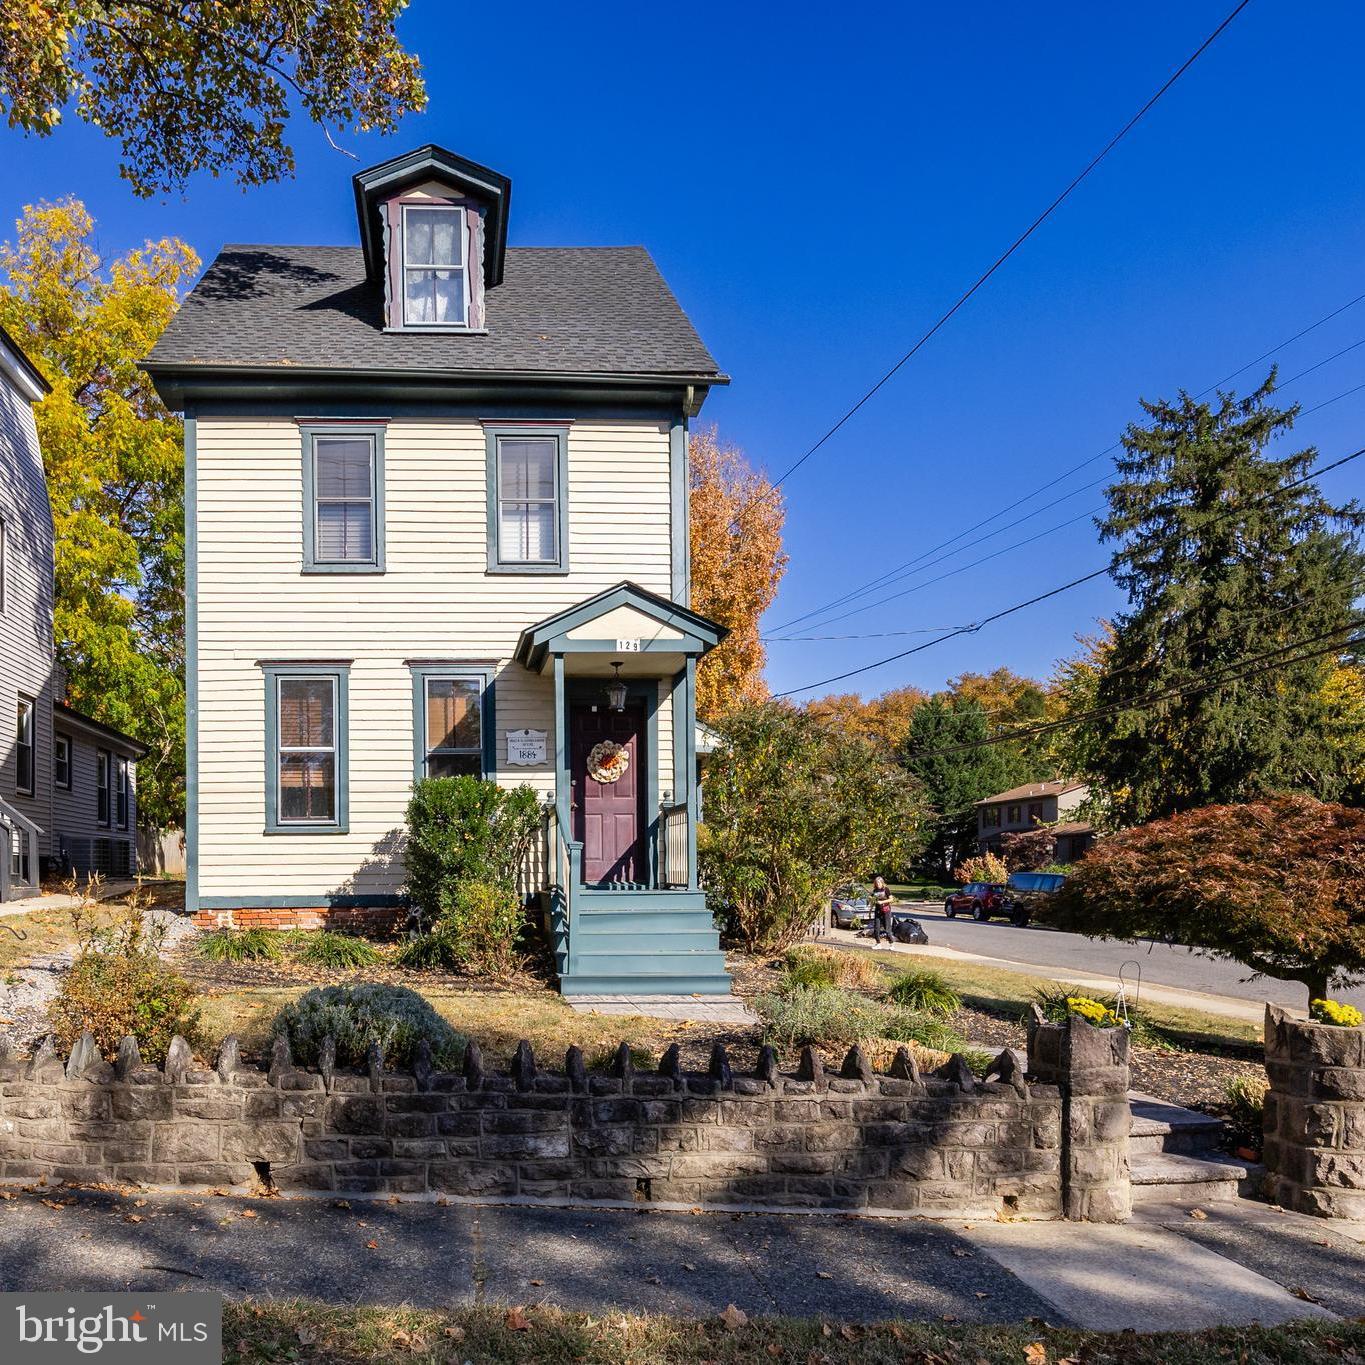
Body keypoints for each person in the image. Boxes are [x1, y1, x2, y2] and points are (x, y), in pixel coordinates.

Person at [869, 876, 894, 947]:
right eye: (876, 883)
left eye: (879, 883)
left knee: (887, 929)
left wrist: (882, 902)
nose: (878, 885)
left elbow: (891, 899)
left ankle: (891, 943)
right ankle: (878, 943)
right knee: (876, 929)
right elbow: (871, 898)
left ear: (882, 883)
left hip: (886, 911)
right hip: (878, 911)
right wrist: (871, 899)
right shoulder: (874, 891)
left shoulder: (886, 889)